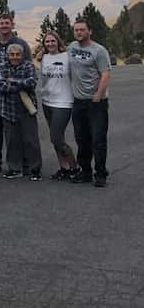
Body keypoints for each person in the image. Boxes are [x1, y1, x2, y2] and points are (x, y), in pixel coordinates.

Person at [0, 14, 32, 171]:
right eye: (1, 23)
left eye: (7, 23)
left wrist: (15, 83)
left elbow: (29, 67)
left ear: (13, 24)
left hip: (17, 96)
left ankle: (25, 163)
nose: (4, 25)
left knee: (20, 131)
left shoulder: (21, 44)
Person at [68, 19, 111, 187]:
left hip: (96, 103)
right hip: (78, 102)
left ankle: (100, 174)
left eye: (82, 30)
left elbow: (106, 74)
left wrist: (98, 95)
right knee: (81, 139)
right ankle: (85, 172)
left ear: (89, 31)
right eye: (76, 30)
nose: (78, 32)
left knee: (98, 140)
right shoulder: (71, 47)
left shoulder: (99, 51)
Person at [0, 44, 42, 180]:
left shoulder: (28, 66)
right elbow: (1, 86)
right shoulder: (3, 67)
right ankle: (14, 168)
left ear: (22, 55)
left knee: (31, 140)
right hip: (8, 110)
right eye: (12, 55)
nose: (15, 57)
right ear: (8, 56)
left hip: (26, 109)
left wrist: (13, 82)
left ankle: (34, 169)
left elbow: (32, 82)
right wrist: (19, 85)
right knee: (12, 141)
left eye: (18, 54)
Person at [38, 31, 77, 181]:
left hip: (64, 102)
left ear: (58, 42)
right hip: (47, 101)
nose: (50, 44)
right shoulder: (43, 58)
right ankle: (64, 168)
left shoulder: (67, 56)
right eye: (47, 42)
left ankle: (74, 167)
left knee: (56, 138)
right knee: (56, 138)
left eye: (52, 41)